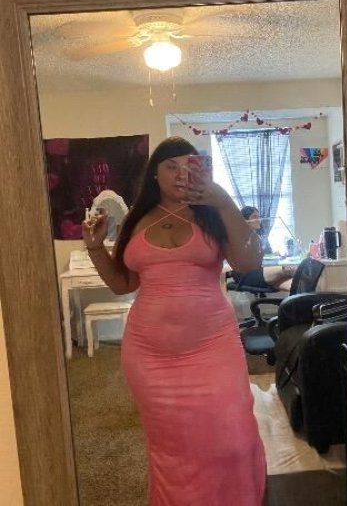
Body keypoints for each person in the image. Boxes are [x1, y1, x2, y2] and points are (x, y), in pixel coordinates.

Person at [81, 137, 266, 506]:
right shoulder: (136, 220)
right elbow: (123, 284)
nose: (182, 174)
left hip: (213, 349)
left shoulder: (212, 214)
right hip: (149, 358)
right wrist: (95, 246)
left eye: (190, 166)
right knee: (173, 448)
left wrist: (222, 201)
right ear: (155, 173)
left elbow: (249, 262)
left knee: (234, 438)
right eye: (172, 166)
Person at [231, 206, 295, 292]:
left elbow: (266, 255)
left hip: (262, 270)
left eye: (259, 216)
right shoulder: (239, 238)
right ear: (245, 220)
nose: (259, 220)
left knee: (295, 285)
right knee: (286, 269)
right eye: (254, 217)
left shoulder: (260, 237)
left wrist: (275, 255)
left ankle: (304, 294)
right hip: (245, 275)